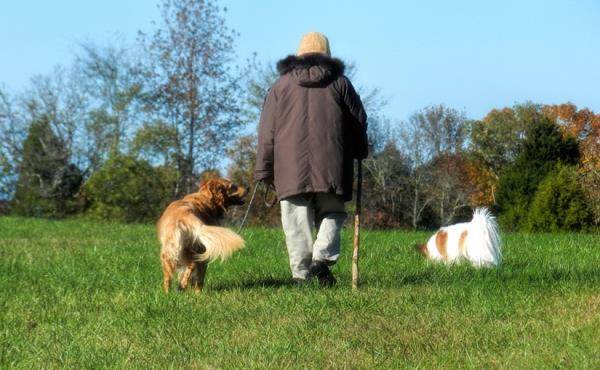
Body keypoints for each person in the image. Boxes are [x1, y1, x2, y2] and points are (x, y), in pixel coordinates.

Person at [255, 32, 368, 286]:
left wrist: (264, 170)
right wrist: (360, 151)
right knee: (332, 213)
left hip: (289, 169)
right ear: (327, 54)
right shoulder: (341, 83)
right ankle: (322, 257)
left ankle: (301, 278)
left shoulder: (280, 86)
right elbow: (358, 121)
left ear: (299, 54)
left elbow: (266, 131)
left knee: (296, 223)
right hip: (332, 165)